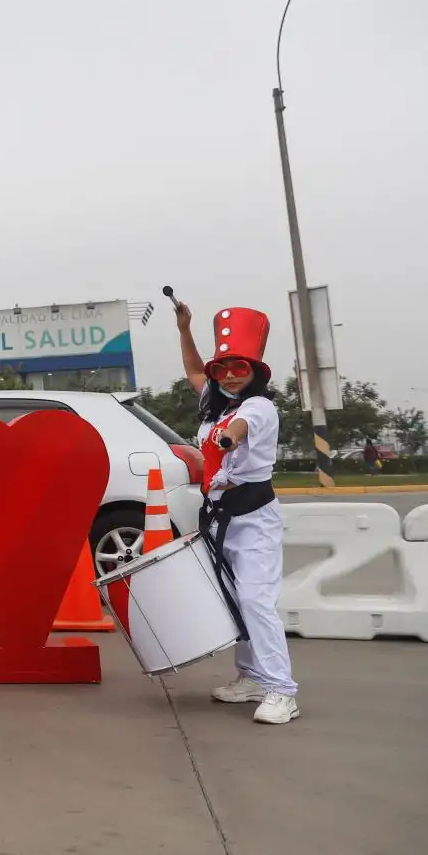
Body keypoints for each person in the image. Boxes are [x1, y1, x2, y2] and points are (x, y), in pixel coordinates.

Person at [175, 301, 299, 725]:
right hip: (222, 517)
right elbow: (194, 371)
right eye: (222, 367)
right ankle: (251, 678)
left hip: (255, 516)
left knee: (256, 600)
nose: (229, 374)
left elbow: (239, 430)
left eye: (238, 367)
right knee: (235, 599)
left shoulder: (257, 408)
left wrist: (228, 441)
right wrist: (185, 329)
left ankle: (283, 690)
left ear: (255, 371)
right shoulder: (217, 402)